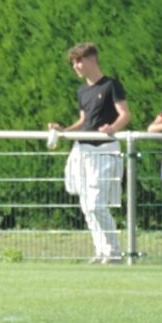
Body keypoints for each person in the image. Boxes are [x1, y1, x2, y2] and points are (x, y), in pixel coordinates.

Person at [47, 42, 130, 263]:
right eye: (73, 63)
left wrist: (113, 128)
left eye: (79, 61)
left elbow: (125, 114)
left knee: (96, 204)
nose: (75, 66)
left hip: (104, 150)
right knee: (86, 206)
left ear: (92, 59)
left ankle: (114, 251)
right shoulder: (82, 91)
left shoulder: (111, 85)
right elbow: (84, 121)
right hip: (82, 151)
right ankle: (101, 251)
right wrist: (64, 131)